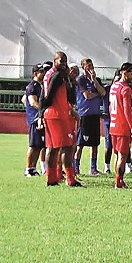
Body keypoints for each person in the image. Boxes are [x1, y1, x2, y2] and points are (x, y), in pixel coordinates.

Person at [40, 51, 82, 187]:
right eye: (61, 61)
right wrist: (68, 80)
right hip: (58, 114)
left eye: (65, 62)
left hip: (50, 114)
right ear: (54, 61)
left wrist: (42, 112)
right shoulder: (57, 75)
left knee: (52, 148)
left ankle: (51, 178)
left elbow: (43, 95)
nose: (64, 64)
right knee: (67, 147)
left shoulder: (49, 74)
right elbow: (50, 94)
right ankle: (70, 179)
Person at [74, 58, 106, 176]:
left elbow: (103, 92)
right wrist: (97, 94)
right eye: (88, 65)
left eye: (92, 64)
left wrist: (94, 80)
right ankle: (76, 167)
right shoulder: (80, 80)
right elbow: (87, 95)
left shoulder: (96, 79)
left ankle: (93, 168)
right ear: (83, 67)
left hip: (95, 114)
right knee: (80, 143)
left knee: (95, 143)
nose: (91, 67)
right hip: (84, 114)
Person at [108, 62, 132, 189]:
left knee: (118, 155)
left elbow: (110, 106)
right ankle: (119, 181)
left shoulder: (114, 86)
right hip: (122, 126)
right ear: (124, 72)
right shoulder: (125, 89)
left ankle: (118, 180)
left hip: (113, 125)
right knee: (123, 156)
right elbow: (127, 110)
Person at [22, 63, 48, 176]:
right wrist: (43, 110)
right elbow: (32, 102)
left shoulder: (40, 85)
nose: (43, 73)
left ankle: (33, 168)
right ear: (35, 73)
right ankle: (28, 168)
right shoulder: (32, 86)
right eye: (40, 71)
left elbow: (23, 100)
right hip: (35, 119)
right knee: (33, 145)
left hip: (39, 118)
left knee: (39, 145)